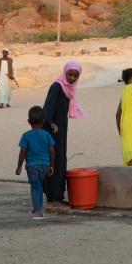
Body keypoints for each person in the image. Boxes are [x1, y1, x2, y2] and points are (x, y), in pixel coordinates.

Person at [42, 61, 86, 209]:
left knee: (61, 160)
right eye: (70, 74)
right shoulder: (57, 86)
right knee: (54, 161)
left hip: (60, 130)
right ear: (65, 72)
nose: (72, 78)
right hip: (52, 130)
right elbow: (48, 107)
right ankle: (52, 198)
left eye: (75, 75)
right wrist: (49, 122)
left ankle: (58, 196)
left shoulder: (69, 89)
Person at [16, 106, 55, 220]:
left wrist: (19, 167)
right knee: (39, 186)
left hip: (32, 165)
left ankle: (38, 211)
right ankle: (37, 209)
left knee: (35, 186)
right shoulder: (47, 135)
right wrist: (51, 165)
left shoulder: (26, 135)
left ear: (29, 122)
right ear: (43, 121)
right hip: (44, 164)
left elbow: (23, 152)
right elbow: (52, 151)